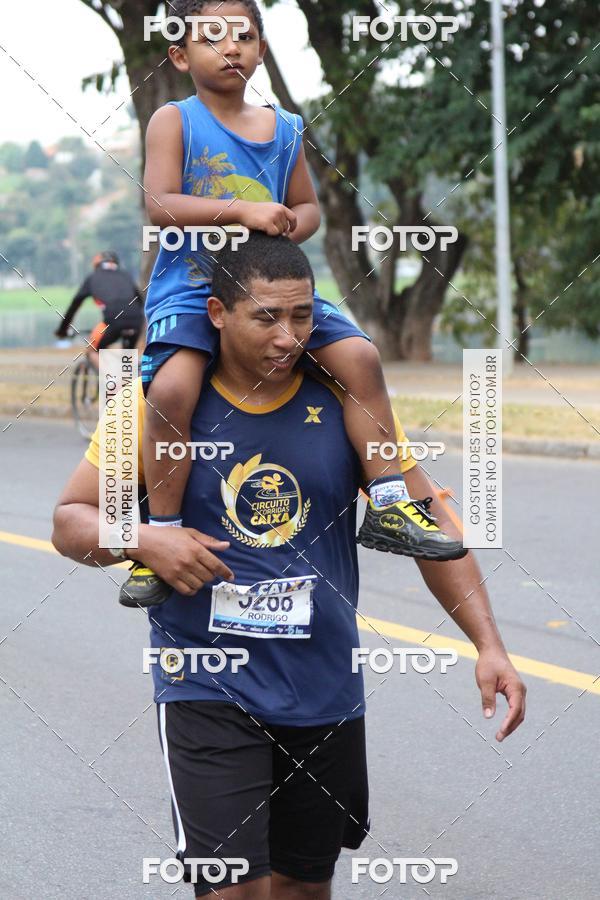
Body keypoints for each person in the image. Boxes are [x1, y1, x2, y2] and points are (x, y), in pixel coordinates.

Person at [52, 234, 526, 900]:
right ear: (217, 312)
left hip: (323, 690)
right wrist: (142, 540)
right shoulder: (159, 405)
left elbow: (430, 524)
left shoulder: (343, 403)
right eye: (266, 318)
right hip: (206, 686)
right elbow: (71, 521)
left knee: (303, 889)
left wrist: (491, 644)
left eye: (302, 316)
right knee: (236, 891)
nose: (288, 337)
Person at [131, 0, 466, 607]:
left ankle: (390, 505)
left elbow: (307, 208)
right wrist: (242, 211)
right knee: (171, 390)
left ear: (261, 49)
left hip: (273, 287)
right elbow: (160, 204)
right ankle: (163, 531)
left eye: (244, 35)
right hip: (190, 287)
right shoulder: (173, 121)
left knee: (361, 358)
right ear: (180, 55)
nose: (229, 47)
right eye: (211, 37)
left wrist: (288, 224)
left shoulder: (285, 126)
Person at [55, 251, 144, 369]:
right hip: (137, 320)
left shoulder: (93, 278)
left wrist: (62, 330)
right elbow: (141, 301)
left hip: (113, 321)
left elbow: (74, 305)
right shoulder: (126, 275)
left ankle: (110, 379)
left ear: (96, 265)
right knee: (127, 358)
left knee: (92, 351)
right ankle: (127, 381)